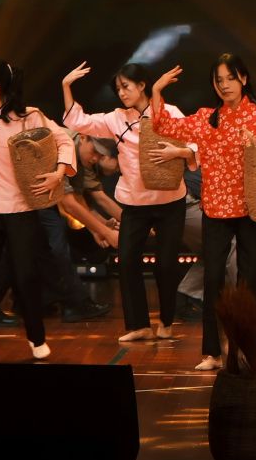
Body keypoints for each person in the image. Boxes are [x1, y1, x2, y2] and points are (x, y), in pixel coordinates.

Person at [151, 54, 256, 372]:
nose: (224, 85)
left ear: (243, 79)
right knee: (213, 280)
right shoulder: (208, 118)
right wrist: (156, 91)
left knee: (252, 282)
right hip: (217, 209)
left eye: (230, 78)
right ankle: (212, 352)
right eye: (218, 80)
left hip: (253, 208)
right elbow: (164, 125)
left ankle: (248, 349)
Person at [63, 60, 199, 342]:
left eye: (126, 86)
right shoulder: (116, 118)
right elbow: (78, 121)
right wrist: (66, 85)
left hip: (169, 200)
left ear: (142, 85)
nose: (122, 93)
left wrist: (178, 153)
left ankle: (166, 322)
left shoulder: (169, 112)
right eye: (118, 89)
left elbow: (194, 143)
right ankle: (139, 325)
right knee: (126, 261)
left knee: (165, 264)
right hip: (135, 203)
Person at [0, 59, 74, 364]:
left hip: (19, 207)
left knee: (26, 276)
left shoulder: (30, 117)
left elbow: (62, 139)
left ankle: (37, 338)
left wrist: (59, 173)